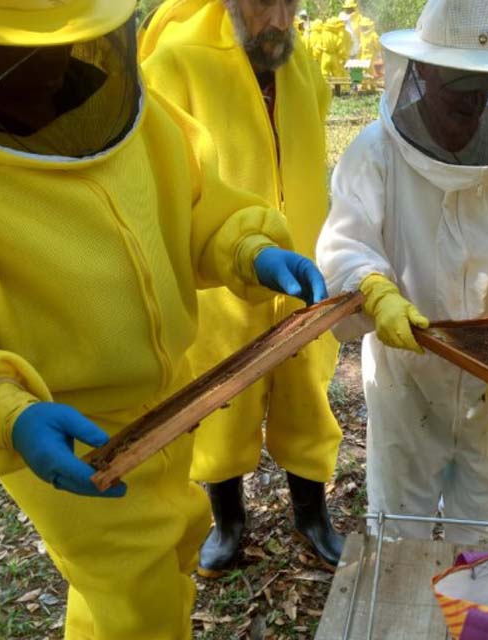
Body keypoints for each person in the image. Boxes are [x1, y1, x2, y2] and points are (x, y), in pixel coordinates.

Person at [0, 1, 327, 638]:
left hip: (171, 394)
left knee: (167, 552)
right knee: (132, 588)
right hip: (65, 424)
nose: (56, 67)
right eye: (29, 52)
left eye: (74, 42)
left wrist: (250, 249)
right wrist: (2, 412)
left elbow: (195, 198)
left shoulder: (128, 114)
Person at [317, 0, 488, 545]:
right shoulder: (375, 154)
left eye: (486, 87)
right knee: (399, 521)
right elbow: (346, 244)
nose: (475, 101)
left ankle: (469, 616)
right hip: (405, 373)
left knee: (482, 522)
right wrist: (374, 289)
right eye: (460, 84)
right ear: (424, 69)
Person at [139, 0, 344, 576]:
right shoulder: (176, 66)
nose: (278, 20)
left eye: (290, 3)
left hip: (300, 263)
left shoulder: (299, 65)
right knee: (218, 392)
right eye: (261, 4)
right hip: (219, 275)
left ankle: (312, 514)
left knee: (307, 389)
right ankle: (228, 521)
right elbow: (164, 180)